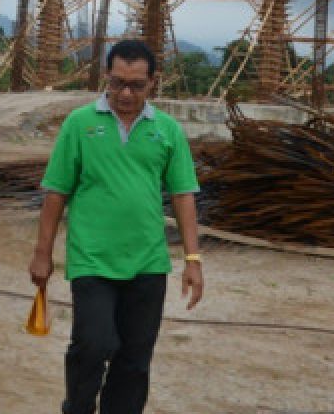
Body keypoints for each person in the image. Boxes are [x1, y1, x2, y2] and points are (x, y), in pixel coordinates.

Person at [29, 39, 204, 414]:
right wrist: (42, 255)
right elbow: (56, 192)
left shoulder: (167, 130)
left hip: (148, 263)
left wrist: (192, 258)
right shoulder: (80, 124)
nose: (125, 93)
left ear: (153, 82)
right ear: (106, 77)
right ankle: (77, 406)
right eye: (117, 83)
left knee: (134, 359)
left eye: (136, 85)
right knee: (92, 344)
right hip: (92, 259)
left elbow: (184, 194)